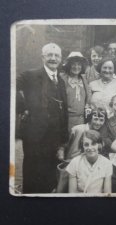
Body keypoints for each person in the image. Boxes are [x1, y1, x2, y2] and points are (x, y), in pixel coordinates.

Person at [17, 43, 68, 193]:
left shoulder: (61, 81)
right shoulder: (30, 75)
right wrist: (23, 107)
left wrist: (63, 141)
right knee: (33, 174)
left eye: (56, 55)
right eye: (49, 55)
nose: (53, 58)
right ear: (42, 57)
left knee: (49, 176)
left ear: (61, 58)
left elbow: (63, 110)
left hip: (54, 138)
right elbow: (9, 86)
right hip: (34, 137)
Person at [60, 51, 91, 132]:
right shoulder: (62, 79)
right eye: (73, 64)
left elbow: (88, 98)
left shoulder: (84, 79)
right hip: (66, 120)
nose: (76, 67)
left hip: (81, 120)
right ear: (68, 65)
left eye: (79, 64)